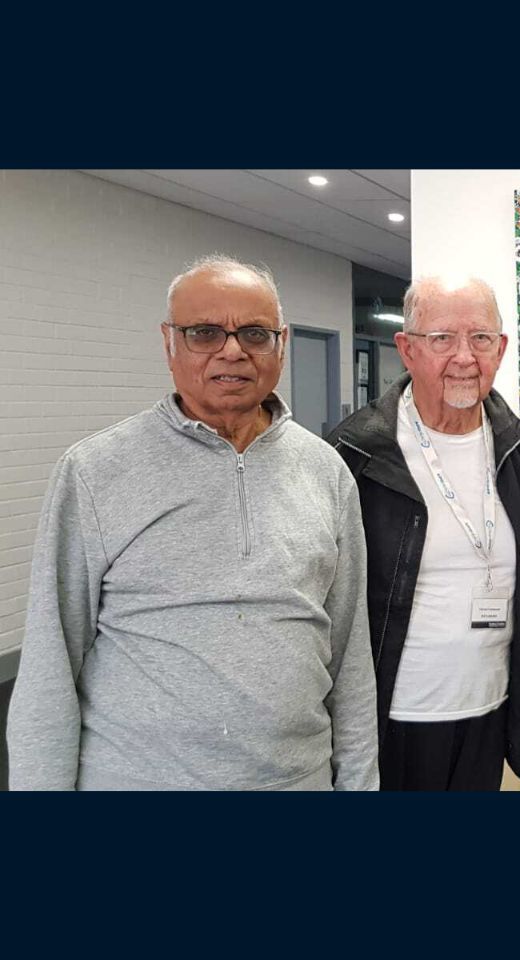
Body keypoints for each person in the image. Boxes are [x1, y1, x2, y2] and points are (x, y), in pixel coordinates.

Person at [7, 255, 378, 790]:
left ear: (282, 344)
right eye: (205, 332)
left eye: (254, 332)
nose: (233, 350)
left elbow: (350, 660)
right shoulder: (95, 472)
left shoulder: (326, 471)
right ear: (169, 344)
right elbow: (49, 666)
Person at [328, 276, 520, 791]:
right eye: (442, 338)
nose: (464, 357)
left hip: (488, 711)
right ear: (406, 349)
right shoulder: (355, 455)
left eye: (480, 338)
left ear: (501, 349)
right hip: (391, 719)